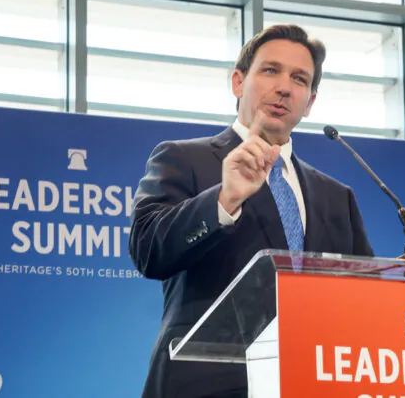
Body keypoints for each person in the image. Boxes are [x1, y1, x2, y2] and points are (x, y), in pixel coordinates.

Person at [129, 24, 374, 398]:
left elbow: (364, 303)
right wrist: (224, 199)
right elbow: (148, 251)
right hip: (207, 386)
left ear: (308, 103)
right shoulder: (184, 158)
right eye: (270, 70)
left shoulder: (336, 197)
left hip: (310, 384)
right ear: (238, 82)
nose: (284, 87)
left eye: (299, 79)